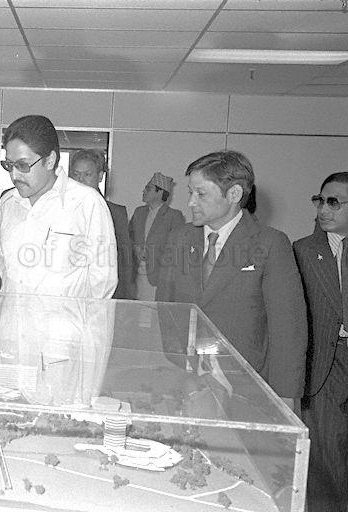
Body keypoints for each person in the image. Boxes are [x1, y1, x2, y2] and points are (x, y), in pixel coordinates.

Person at [156, 150, 307, 408]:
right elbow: (166, 305)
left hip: (248, 385)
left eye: (201, 194)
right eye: (190, 192)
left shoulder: (270, 243)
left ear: (234, 195)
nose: (191, 202)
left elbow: (288, 327)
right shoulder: (180, 238)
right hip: (189, 380)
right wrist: (180, 361)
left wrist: (285, 394)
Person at [0, 115, 117, 298]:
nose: (14, 175)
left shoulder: (86, 203)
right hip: (13, 323)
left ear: (50, 160)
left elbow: (102, 283)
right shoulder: (8, 203)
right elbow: (4, 270)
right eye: (9, 165)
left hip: (63, 325)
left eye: (22, 165)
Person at [293, 171, 348, 511]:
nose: (323, 209)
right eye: (320, 200)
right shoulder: (302, 251)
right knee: (327, 454)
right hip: (326, 367)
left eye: (334, 202)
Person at [69, 149, 134, 299]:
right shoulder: (60, 210)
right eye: (76, 175)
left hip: (102, 298)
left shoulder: (116, 213)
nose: (80, 180)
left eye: (87, 175)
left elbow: (125, 265)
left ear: (100, 176)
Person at [129, 172, 184, 301]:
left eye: (148, 188)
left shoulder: (174, 216)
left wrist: (155, 253)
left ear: (160, 192)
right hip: (136, 275)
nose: (144, 191)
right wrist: (136, 248)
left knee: (153, 314)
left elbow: (177, 248)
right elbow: (128, 236)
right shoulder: (139, 212)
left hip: (159, 276)